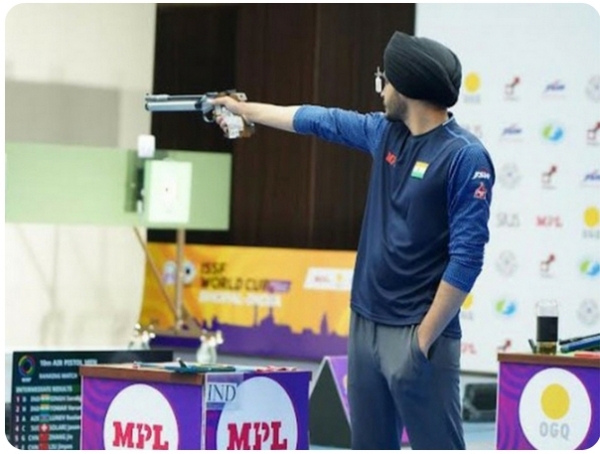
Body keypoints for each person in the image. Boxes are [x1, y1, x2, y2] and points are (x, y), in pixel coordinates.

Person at [211, 31, 494, 450]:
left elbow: (467, 258)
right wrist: (241, 109)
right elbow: (313, 118)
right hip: (365, 325)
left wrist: (420, 343)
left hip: (419, 332)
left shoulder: (464, 156)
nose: (380, 89)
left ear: (409, 89)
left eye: (385, 79)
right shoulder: (384, 133)